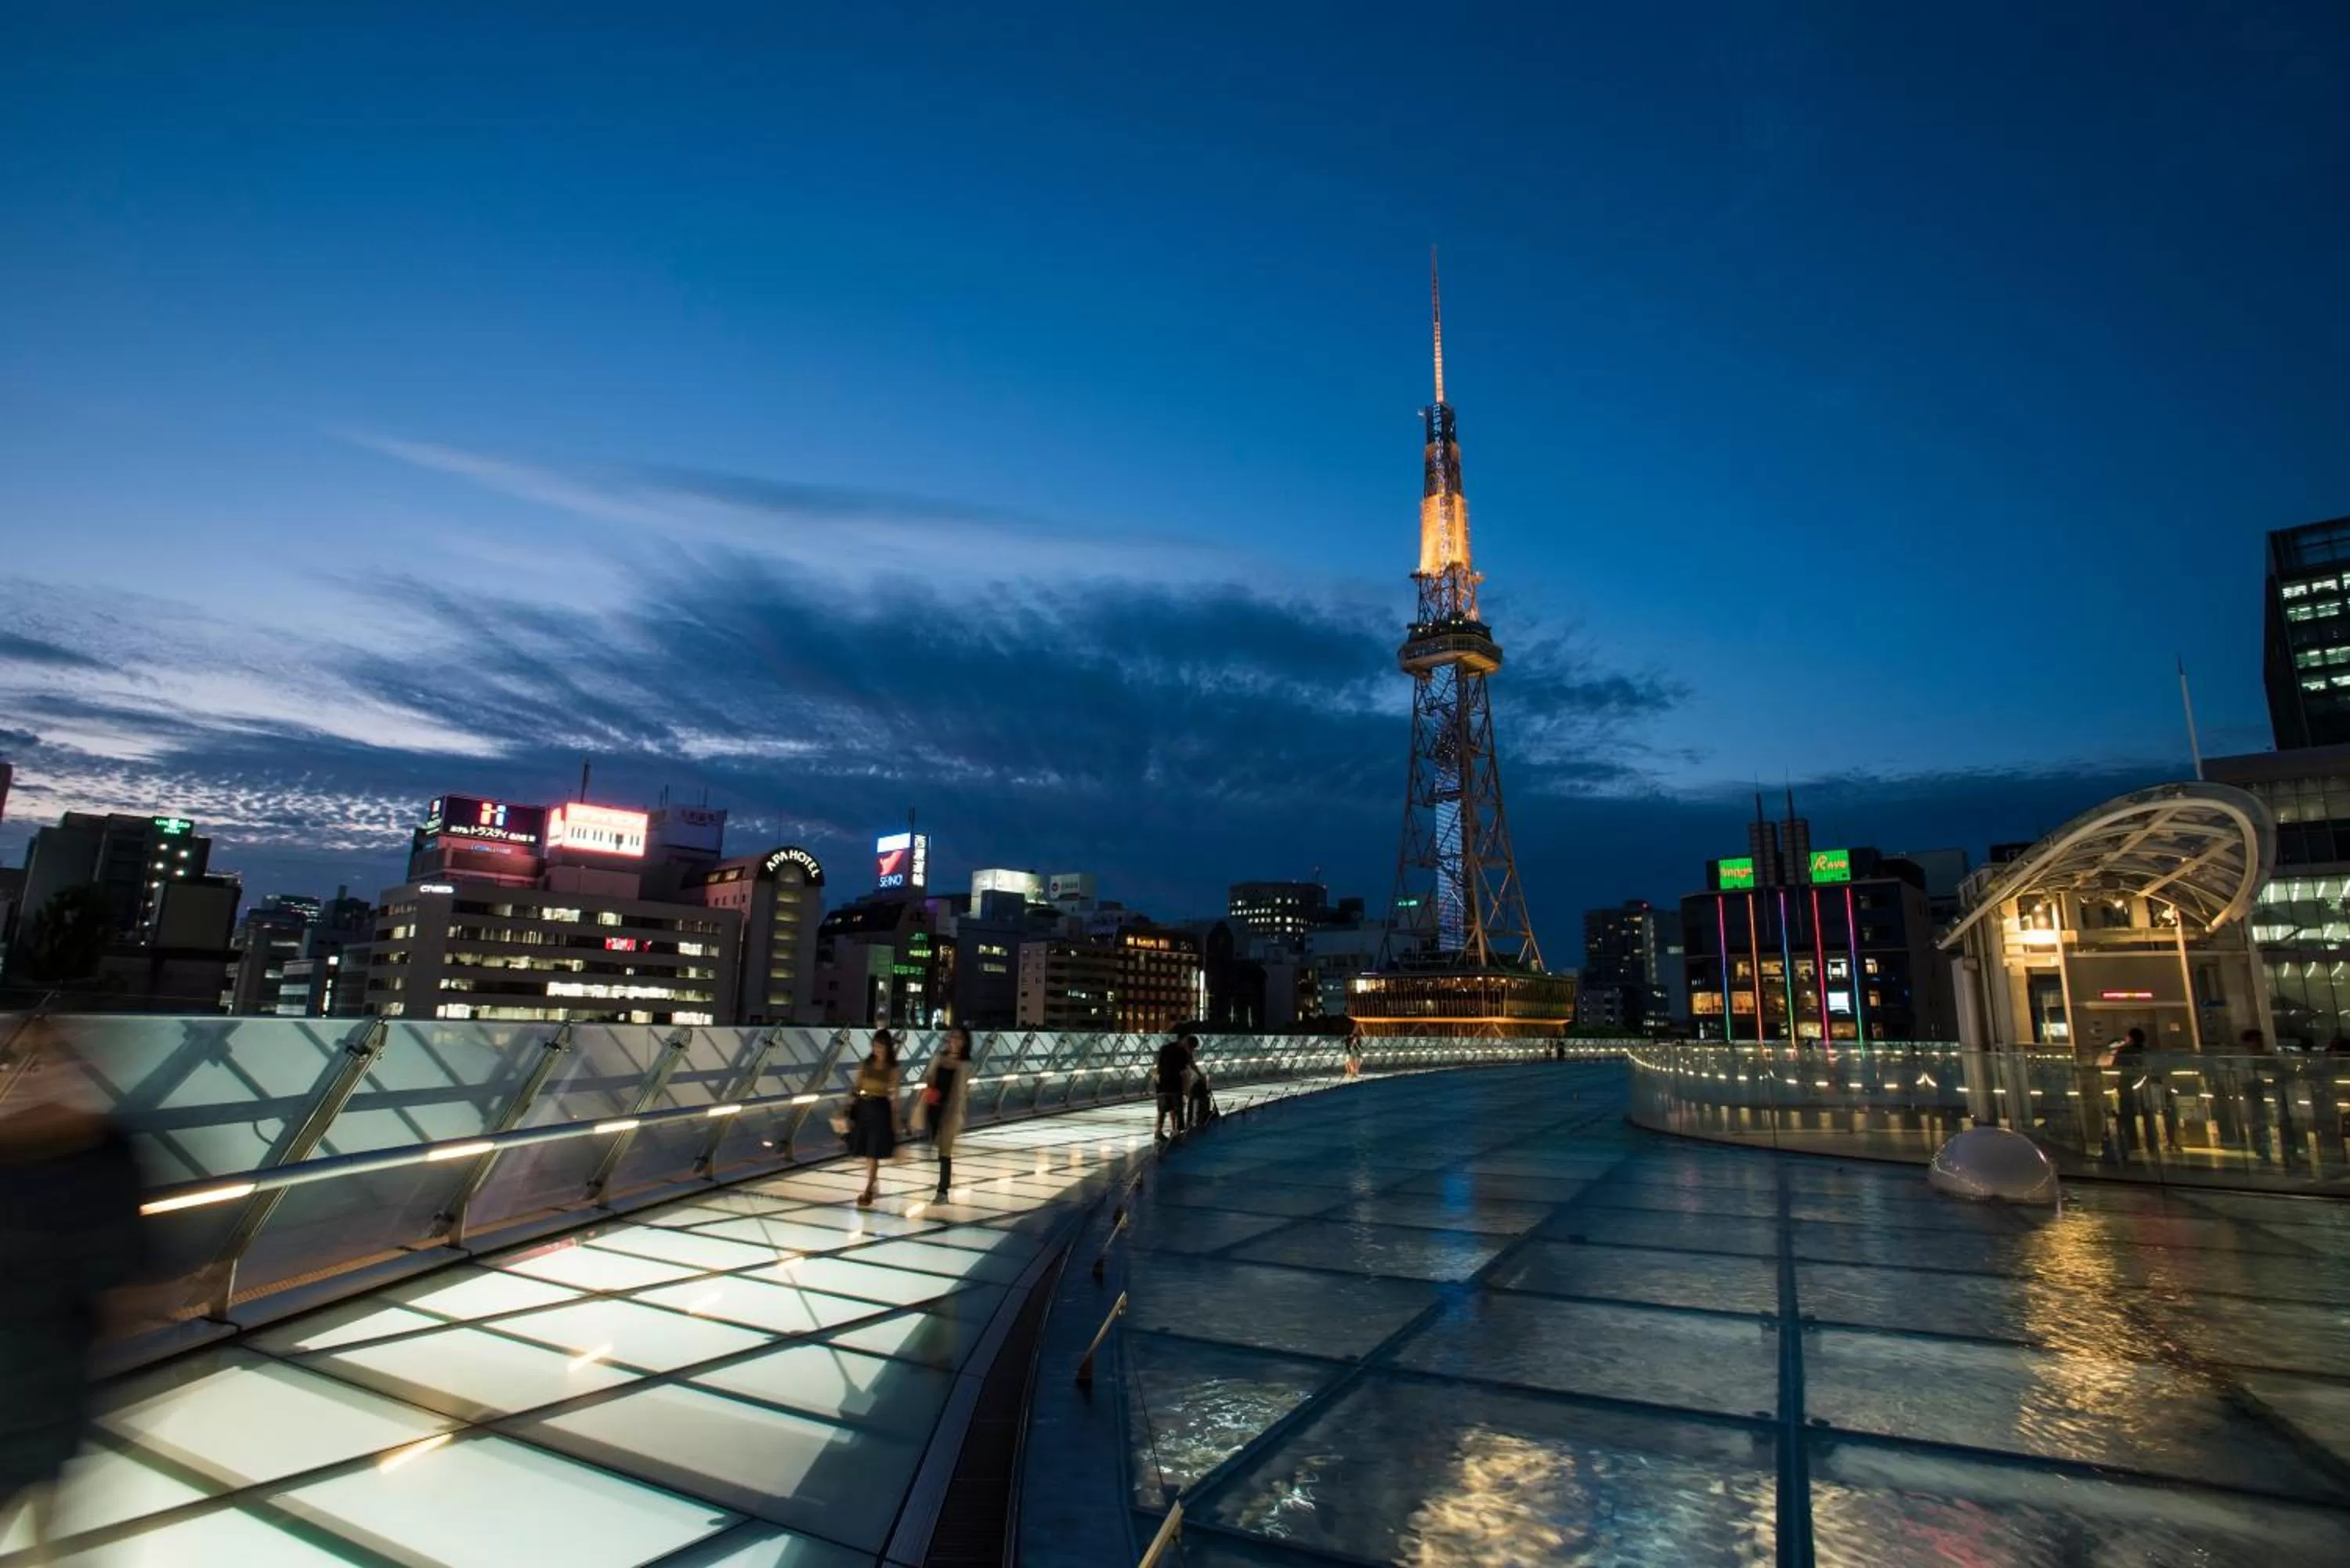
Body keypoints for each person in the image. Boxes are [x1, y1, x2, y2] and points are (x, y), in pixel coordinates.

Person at [1, 1053, 143, 1541]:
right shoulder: (106, 1153)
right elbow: (121, 1274)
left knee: (38, 1486)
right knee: (45, 1493)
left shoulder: (104, 1153)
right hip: (53, 1373)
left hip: (40, 1371)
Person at [846, 1029, 903, 1206]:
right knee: (867, 1152)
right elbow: (856, 1087)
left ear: (888, 1048)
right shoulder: (865, 1064)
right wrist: (847, 1107)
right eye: (875, 1045)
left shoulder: (892, 1069)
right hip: (864, 1108)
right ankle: (873, 1181)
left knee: (873, 1152)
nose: (878, 1049)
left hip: (881, 1110)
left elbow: (894, 1095)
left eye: (881, 1046)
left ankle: (868, 1190)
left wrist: (896, 1120)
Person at [923, 1024, 974, 1198]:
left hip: (951, 1111)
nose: (954, 1040)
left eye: (958, 1038)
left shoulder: (965, 1065)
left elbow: (965, 1090)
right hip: (934, 1106)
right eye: (952, 1036)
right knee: (936, 1142)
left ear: (964, 1043)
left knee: (945, 1149)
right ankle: (945, 1179)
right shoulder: (939, 1058)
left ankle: (942, 1189)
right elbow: (928, 1078)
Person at [2111, 1026, 2158, 1160]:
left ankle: (2133, 1144)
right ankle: (2151, 1144)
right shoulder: (2147, 1052)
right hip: (2145, 1087)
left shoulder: (2123, 1051)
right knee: (2148, 1115)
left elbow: (2115, 1066)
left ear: (2130, 1038)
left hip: (2126, 1087)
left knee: (2128, 1116)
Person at [1154, 1033, 1194, 1140]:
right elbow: (1184, 1073)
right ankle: (1176, 1132)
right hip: (1175, 1085)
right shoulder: (1182, 1053)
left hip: (1162, 1084)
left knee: (1162, 1110)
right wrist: (1186, 1090)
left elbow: (1158, 1067)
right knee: (1177, 1109)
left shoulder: (1164, 1048)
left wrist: (1157, 1082)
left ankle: (1158, 1132)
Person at [1185, 1036, 1216, 1129]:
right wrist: (1202, 1078)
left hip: (1189, 1083)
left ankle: (1189, 1124)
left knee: (1191, 1102)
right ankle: (1192, 1123)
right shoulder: (1186, 1054)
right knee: (1192, 1102)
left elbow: (1192, 1067)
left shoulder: (1186, 1053)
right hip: (1188, 1082)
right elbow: (1193, 1067)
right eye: (1193, 1048)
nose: (1193, 1050)